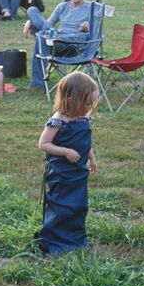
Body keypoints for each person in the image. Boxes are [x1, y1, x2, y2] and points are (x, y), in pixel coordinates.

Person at [35, 71, 98, 255]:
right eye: (87, 103)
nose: (89, 107)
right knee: (62, 205)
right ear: (71, 99)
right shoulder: (58, 121)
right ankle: (53, 238)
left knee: (78, 205)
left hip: (78, 173)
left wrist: (91, 157)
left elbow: (85, 142)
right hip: (61, 173)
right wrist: (65, 151)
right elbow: (43, 144)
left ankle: (74, 237)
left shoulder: (82, 118)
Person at [23, 0, 91, 89]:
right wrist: (31, 22)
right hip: (55, 39)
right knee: (32, 10)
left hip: (74, 44)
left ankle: (37, 82)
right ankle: (38, 83)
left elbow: (96, 29)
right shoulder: (62, 6)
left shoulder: (91, 8)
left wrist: (89, 26)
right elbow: (47, 25)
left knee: (41, 36)